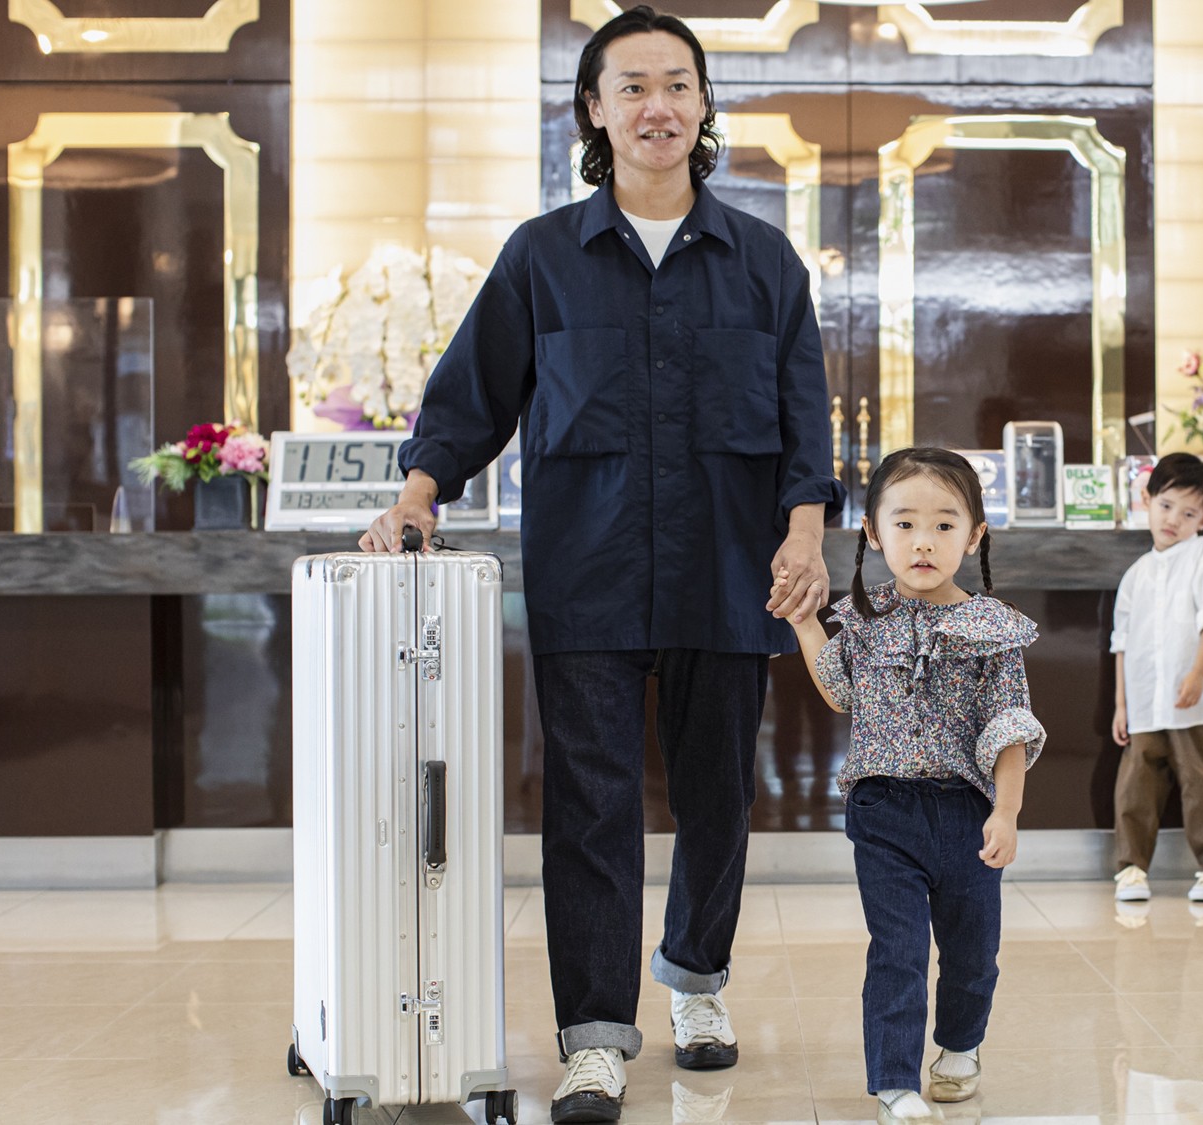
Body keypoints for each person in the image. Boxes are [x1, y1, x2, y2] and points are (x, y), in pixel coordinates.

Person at [360, 7, 843, 1121]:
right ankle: (591, 1036)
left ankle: (699, 982)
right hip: (585, 573)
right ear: (594, 109)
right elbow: (469, 394)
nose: (656, 106)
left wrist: (806, 529)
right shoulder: (541, 259)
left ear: (705, 104)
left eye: (676, 84)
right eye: (631, 87)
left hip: (731, 573)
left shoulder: (764, 262)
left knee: (720, 795)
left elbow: (801, 421)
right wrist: (417, 494)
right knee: (588, 806)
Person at [785, 447, 1044, 1125]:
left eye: (943, 524)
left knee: (971, 952)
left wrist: (1008, 812)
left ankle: (959, 1046)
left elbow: (1010, 728)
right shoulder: (864, 620)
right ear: (873, 532)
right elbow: (839, 692)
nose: (922, 541)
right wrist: (804, 621)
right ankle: (895, 1079)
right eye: (903, 524)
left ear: (975, 534)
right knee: (896, 950)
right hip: (883, 810)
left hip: (967, 812)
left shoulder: (994, 631)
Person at [1109, 453, 1203, 906]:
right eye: (1166, 505)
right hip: (1147, 700)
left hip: (1201, 696)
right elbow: (1123, 643)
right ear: (1146, 499)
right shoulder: (1136, 574)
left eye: (1189, 513)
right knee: (1138, 783)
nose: (1173, 519)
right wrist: (1122, 704)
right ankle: (1131, 867)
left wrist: (1197, 673)